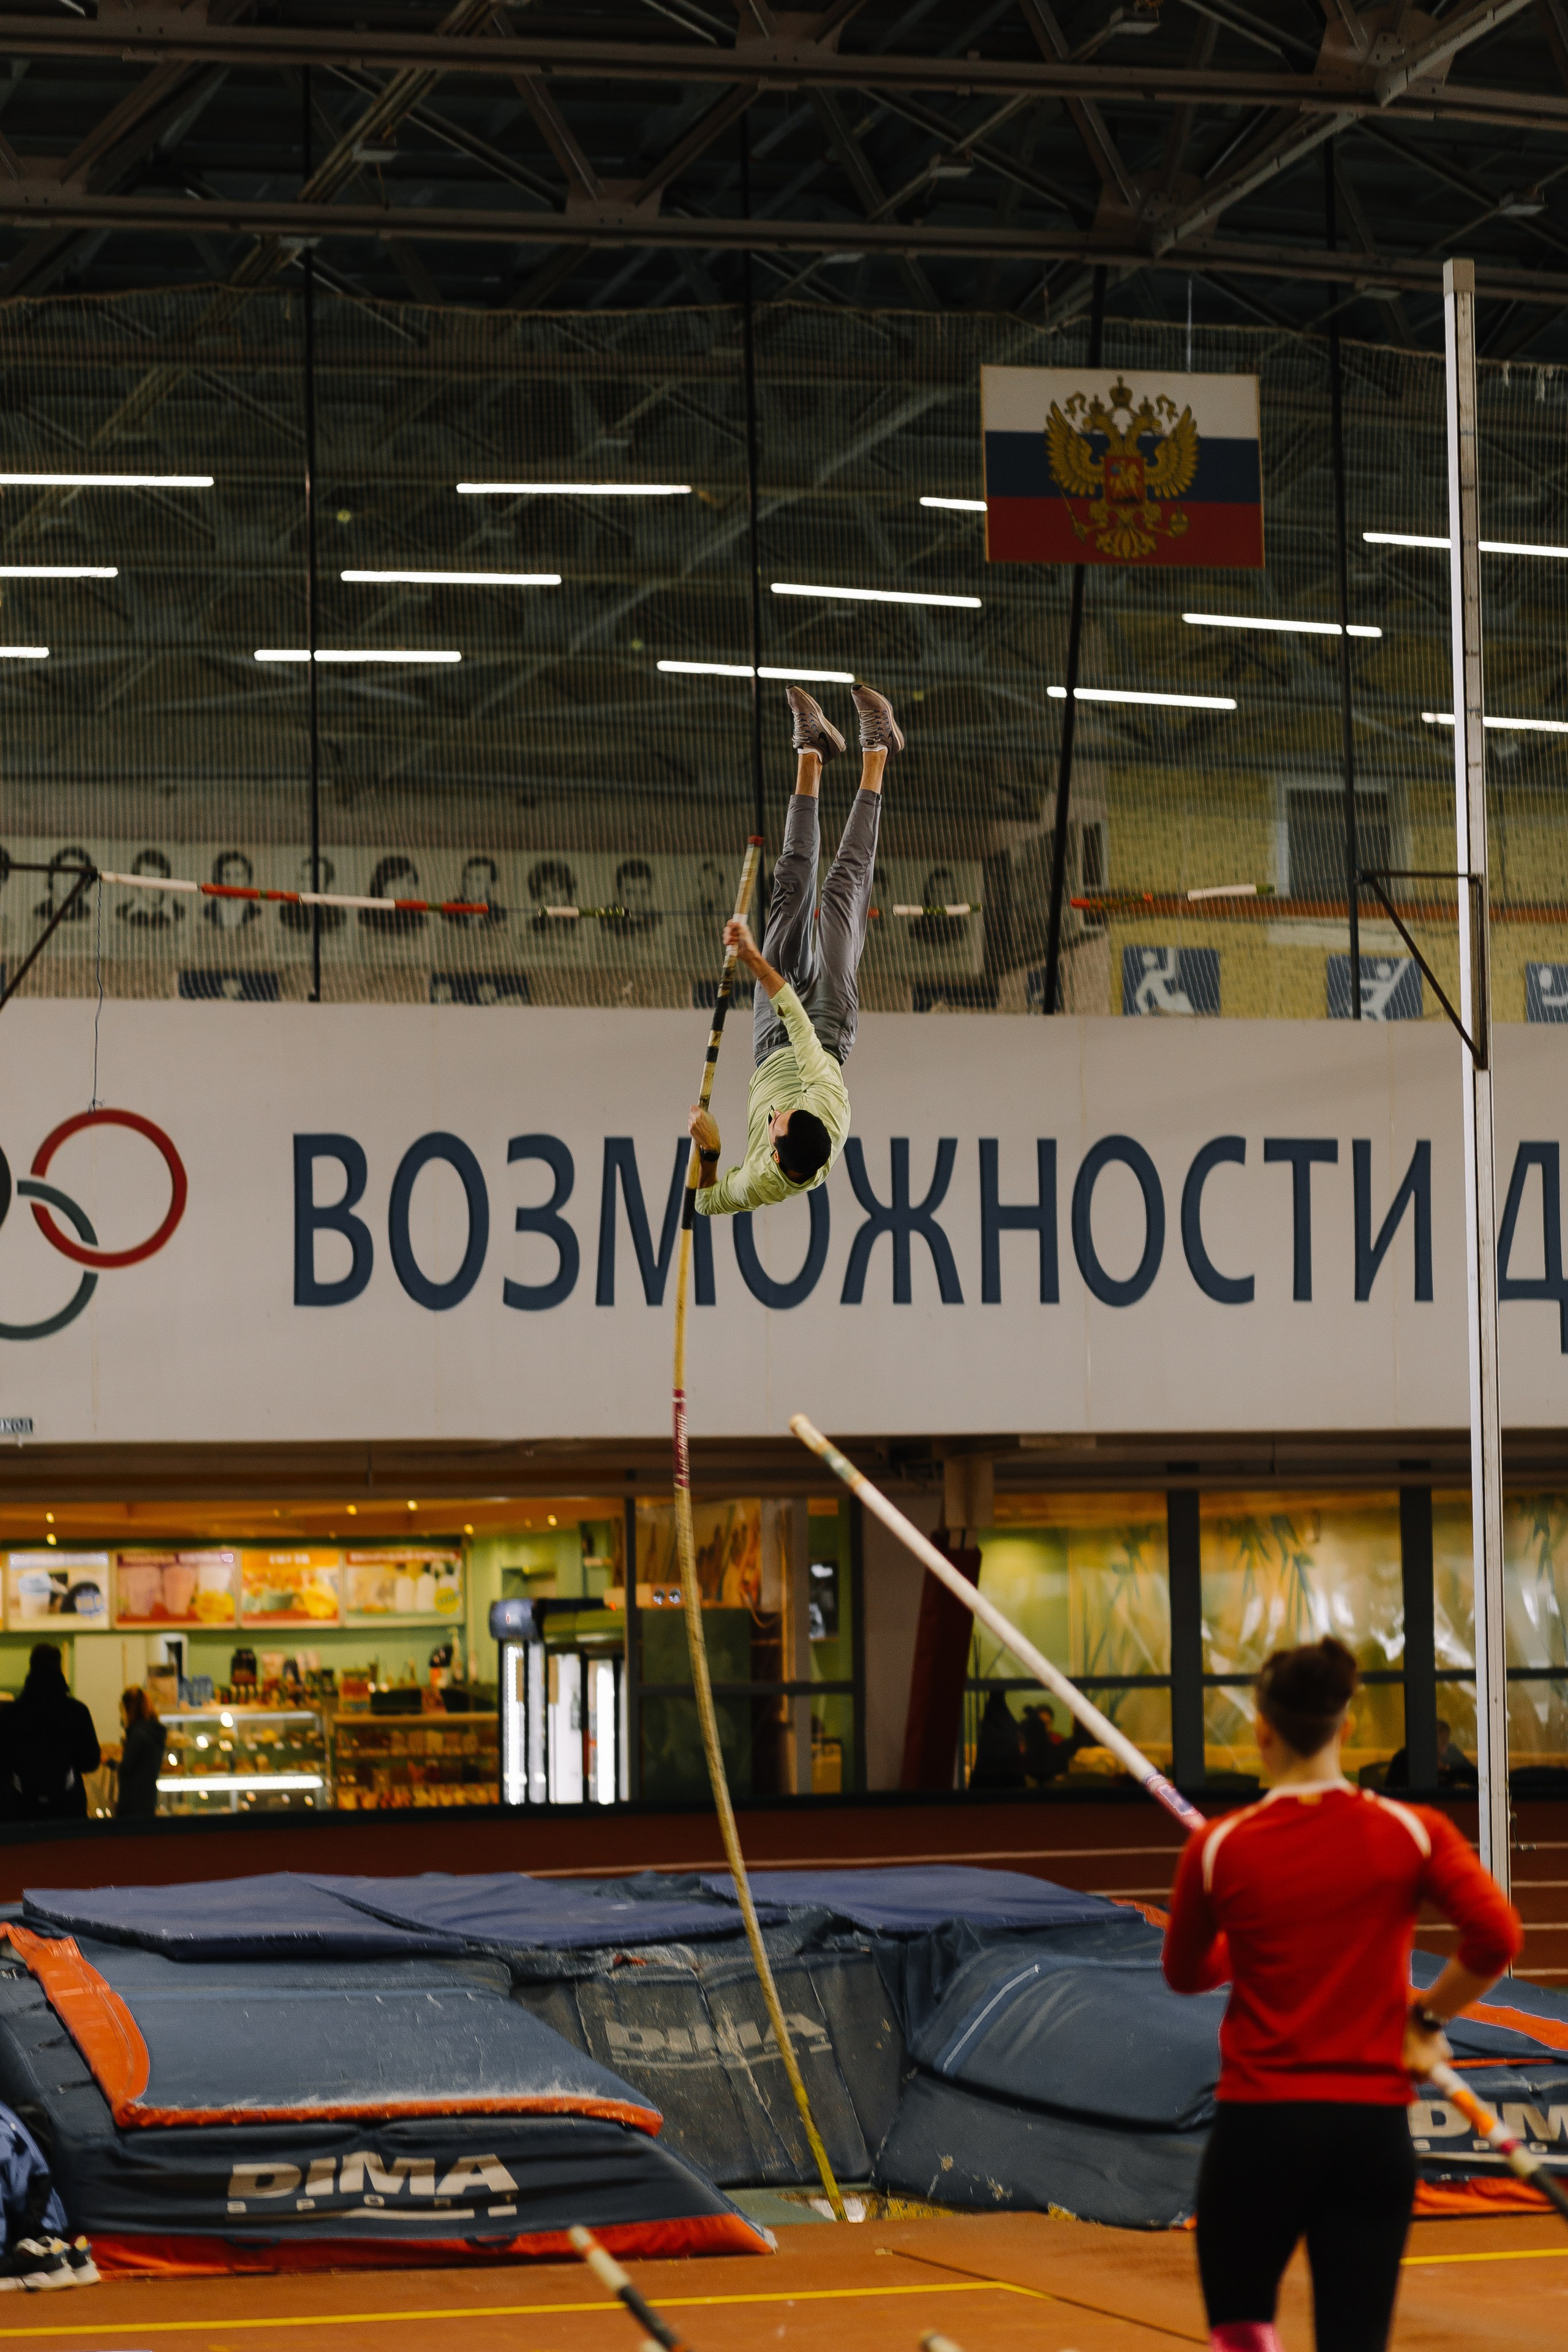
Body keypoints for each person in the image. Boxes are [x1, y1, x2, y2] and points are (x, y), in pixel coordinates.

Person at [1163, 1637, 1521, 2352]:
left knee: (1241, 2331)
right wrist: (1425, 2017)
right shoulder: (1413, 1830)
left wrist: (1259, 1932)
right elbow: (1496, 1937)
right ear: (1346, 1727)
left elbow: (1186, 1973)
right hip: (1367, 2133)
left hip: (1259, 2131)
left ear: (1261, 1729)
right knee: (1354, 2341)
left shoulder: (1220, 1847)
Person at [689, 684, 902, 1215]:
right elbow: (799, 1021)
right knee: (843, 887)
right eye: (784, 1116)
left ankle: (813, 750)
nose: (775, 1117)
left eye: (777, 1123)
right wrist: (751, 956)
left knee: (790, 885)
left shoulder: (765, 1180)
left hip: (767, 1043)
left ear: (777, 1159)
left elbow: (708, 1203)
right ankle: (879, 748)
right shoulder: (822, 1100)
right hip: (824, 1029)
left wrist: (712, 1150)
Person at [0, 1646, 100, 1822]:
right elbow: (90, 1761)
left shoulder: (10, 1714)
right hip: (68, 1806)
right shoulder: (77, 1711)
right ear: (60, 1668)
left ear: (31, 1668)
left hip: (21, 1808)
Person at [1384, 1717, 1479, 1791]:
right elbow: (1394, 1789)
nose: (1445, 1749)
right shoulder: (1403, 1758)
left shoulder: (1452, 1754)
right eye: (1442, 1742)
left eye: (1446, 1742)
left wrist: (1451, 1767)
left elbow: (1476, 1780)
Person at [114, 1686, 165, 1821]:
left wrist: (109, 1761)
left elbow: (127, 1767)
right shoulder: (154, 1732)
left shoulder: (137, 1734)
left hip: (133, 1804)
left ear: (129, 1710)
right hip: (148, 1801)